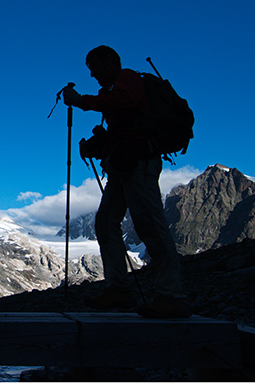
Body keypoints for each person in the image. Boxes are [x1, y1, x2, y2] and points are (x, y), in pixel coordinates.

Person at [62, 45, 191, 318]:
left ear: (109, 62)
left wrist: (80, 101)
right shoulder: (113, 90)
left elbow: (126, 103)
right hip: (125, 162)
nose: (93, 75)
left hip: (138, 160)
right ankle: (118, 289)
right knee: (106, 222)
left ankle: (171, 295)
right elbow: (125, 124)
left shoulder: (127, 78)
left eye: (94, 67)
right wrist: (99, 144)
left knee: (148, 224)